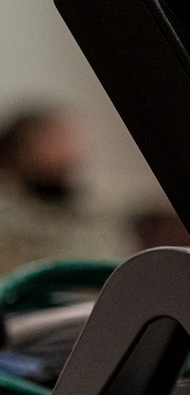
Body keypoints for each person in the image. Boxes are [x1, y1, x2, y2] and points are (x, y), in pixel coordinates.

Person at [0, 108, 133, 275]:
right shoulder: (10, 222)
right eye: (52, 142)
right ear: (21, 152)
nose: (67, 153)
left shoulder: (93, 210)